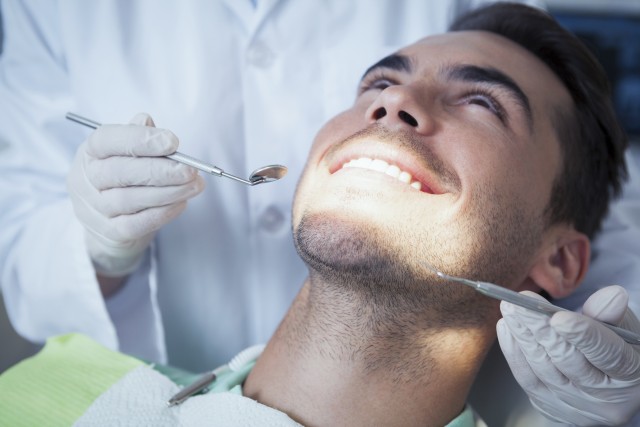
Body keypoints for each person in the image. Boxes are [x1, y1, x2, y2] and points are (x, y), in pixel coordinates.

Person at [1, 0, 640, 425]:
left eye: (481, 102)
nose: (392, 106)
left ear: (557, 262)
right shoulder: (45, 395)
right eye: (377, 84)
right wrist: (98, 243)